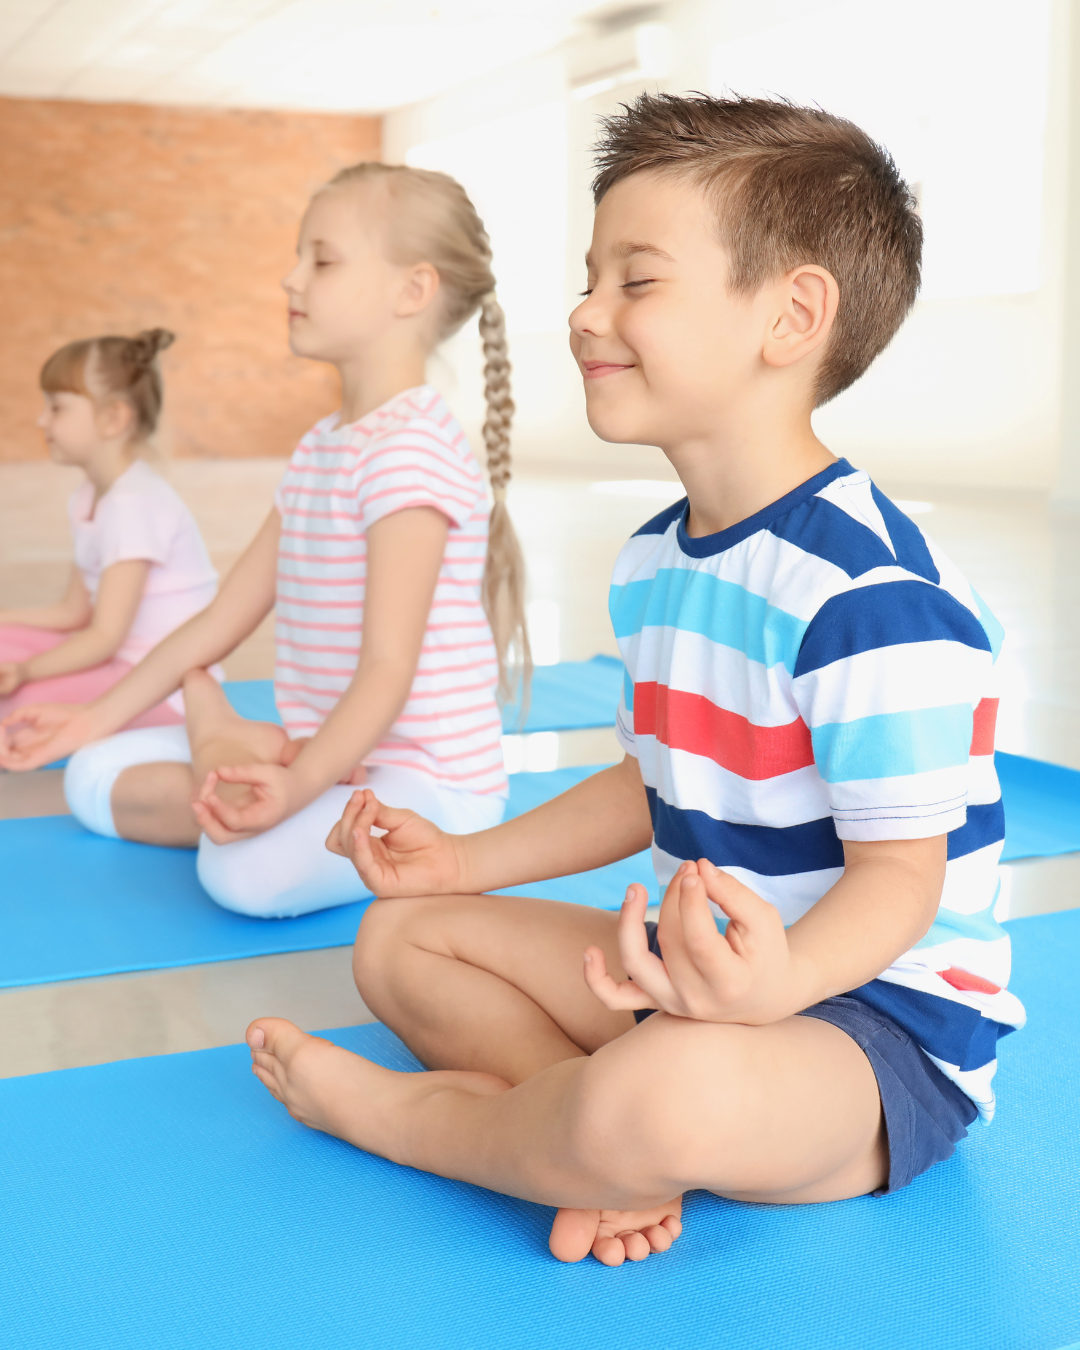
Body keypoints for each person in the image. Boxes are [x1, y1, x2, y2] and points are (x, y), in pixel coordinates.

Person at [239, 95, 1023, 1266]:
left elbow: (904, 879)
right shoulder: (657, 558)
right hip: (683, 985)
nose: (585, 312)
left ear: (792, 315)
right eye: (590, 276)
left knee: (658, 1096)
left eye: (636, 281)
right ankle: (588, 1149)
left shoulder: (870, 594)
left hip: (868, 1034)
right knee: (400, 937)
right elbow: (649, 779)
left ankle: (413, 1121)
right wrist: (462, 862)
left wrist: (777, 988)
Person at [0, 164, 528, 918]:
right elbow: (219, 621)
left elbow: (387, 670)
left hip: (427, 785)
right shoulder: (324, 446)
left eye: (322, 259)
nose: (291, 279)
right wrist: (89, 718)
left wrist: (299, 783)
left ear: (412, 291)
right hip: (324, 758)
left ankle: (227, 751)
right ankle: (234, 761)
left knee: (241, 877)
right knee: (90, 773)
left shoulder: (410, 453)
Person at [0, 329, 218, 729]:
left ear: (113, 417)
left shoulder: (133, 505)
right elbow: (73, 612)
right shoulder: (90, 496)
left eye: (57, 408)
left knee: (14, 706)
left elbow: (105, 637)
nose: (40, 419)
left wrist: (27, 671)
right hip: (117, 661)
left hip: (160, 685)